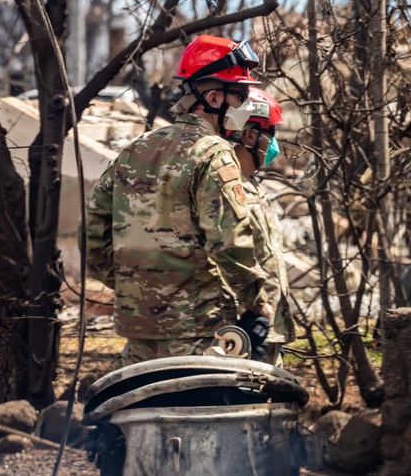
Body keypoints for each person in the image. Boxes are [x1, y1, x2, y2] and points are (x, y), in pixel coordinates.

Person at [82, 35, 272, 368]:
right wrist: (256, 302)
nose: (245, 106)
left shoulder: (134, 150)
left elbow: (93, 232)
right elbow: (229, 243)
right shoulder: (214, 154)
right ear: (213, 98)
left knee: (135, 414)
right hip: (198, 331)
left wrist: (136, 285)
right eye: (239, 96)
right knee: (196, 416)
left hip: (137, 329)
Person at [225, 88, 296, 363]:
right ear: (251, 136)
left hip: (266, 327)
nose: (274, 145)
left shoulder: (253, 189)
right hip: (242, 329)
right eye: (272, 135)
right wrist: (254, 307)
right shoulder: (227, 191)